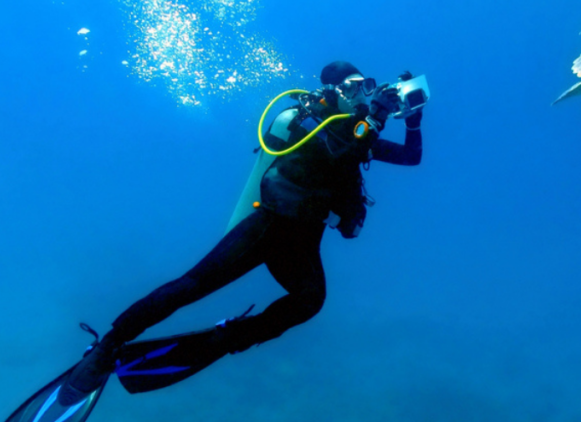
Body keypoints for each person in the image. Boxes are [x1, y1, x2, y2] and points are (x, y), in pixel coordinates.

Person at [59, 60, 423, 404]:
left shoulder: (357, 130)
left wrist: (413, 119)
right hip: (267, 229)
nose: (361, 93)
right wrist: (373, 116)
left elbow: (410, 157)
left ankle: (228, 337)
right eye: (353, 86)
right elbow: (337, 150)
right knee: (191, 286)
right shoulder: (307, 121)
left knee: (310, 301)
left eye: (367, 86)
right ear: (331, 90)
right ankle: (107, 347)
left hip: (301, 242)